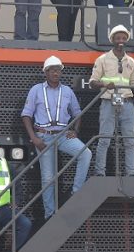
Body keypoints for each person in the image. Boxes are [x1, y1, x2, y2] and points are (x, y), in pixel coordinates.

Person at [21, 56, 93, 219]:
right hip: (43, 136)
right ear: (45, 72)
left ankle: (76, 191)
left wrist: (75, 130)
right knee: (48, 178)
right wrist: (34, 138)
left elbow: (77, 113)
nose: (55, 73)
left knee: (85, 153)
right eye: (52, 70)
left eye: (58, 70)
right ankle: (50, 214)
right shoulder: (36, 90)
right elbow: (26, 115)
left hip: (62, 135)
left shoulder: (67, 91)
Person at [89, 24, 134, 177]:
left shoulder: (132, 61)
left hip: (127, 103)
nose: (121, 40)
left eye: (123, 38)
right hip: (108, 102)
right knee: (104, 139)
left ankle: (130, 173)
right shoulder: (102, 59)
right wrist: (104, 84)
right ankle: (100, 172)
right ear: (112, 40)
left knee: (129, 140)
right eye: (118, 38)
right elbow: (92, 82)